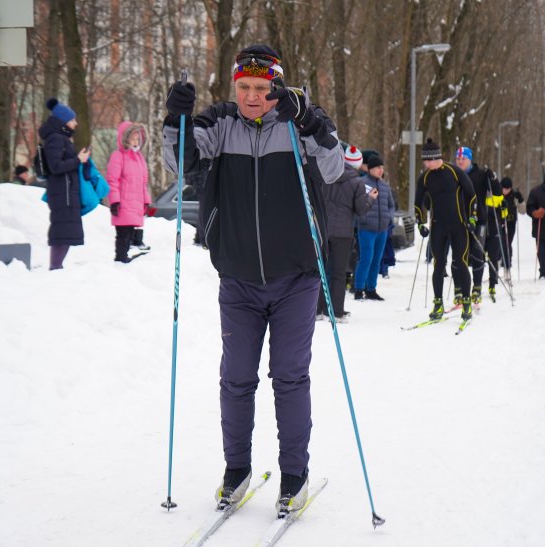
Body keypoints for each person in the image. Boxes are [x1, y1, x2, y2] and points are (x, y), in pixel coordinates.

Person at [162, 44, 343, 515]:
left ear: (276, 86)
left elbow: (334, 166)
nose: (252, 97)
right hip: (239, 279)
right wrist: (174, 119)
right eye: (244, 87)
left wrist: (312, 123)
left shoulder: (298, 120)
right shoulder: (219, 123)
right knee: (236, 378)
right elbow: (180, 161)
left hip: (296, 277)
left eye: (262, 89)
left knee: (289, 376)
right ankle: (236, 468)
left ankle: (294, 473)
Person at [414, 138, 477, 321]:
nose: (425, 164)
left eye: (427, 160)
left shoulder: (454, 172)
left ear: (435, 158)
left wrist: (472, 218)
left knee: (460, 263)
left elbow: (472, 195)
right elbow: (418, 204)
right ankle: (438, 303)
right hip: (438, 227)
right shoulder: (425, 177)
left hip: (459, 226)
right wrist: (420, 224)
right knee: (438, 265)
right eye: (424, 161)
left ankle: (466, 302)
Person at [317, 145, 376, 321]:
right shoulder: (357, 183)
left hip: (324, 229)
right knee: (338, 273)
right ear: (357, 164)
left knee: (320, 270)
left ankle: (317, 310)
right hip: (343, 233)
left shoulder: (326, 177)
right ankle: (336, 311)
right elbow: (360, 210)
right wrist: (371, 199)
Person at [39, 97, 91, 270]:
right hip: (62, 194)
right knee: (62, 232)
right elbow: (55, 166)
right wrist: (77, 160)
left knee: (66, 232)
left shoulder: (61, 138)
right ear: (63, 121)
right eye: (72, 120)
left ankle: (57, 266)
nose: (75, 123)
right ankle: (55, 267)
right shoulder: (56, 138)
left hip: (66, 192)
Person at [454, 146, 501, 303]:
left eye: (463, 159)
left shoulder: (480, 175)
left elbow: (498, 192)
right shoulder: (453, 174)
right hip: (458, 220)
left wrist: (492, 177)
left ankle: (477, 287)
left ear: (470, 159)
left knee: (477, 253)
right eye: (458, 159)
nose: (460, 161)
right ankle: (459, 289)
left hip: (479, 220)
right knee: (458, 256)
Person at [107, 121, 151, 263]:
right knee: (123, 233)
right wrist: (114, 201)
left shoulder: (140, 158)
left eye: (137, 139)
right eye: (132, 138)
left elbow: (143, 183)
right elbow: (113, 180)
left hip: (136, 204)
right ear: (124, 139)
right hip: (123, 203)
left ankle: (123, 257)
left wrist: (146, 201)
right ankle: (120, 258)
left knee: (131, 232)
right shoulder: (118, 156)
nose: (135, 142)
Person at [353, 154, 394, 301]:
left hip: (381, 229)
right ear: (370, 169)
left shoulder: (384, 186)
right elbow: (356, 205)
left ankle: (371, 288)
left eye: (382, 168)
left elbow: (391, 205)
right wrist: (362, 219)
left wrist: (388, 218)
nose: (380, 170)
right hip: (366, 229)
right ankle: (358, 288)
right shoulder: (361, 183)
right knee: (366, 259)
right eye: (378, 167)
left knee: (377, 260)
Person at [500, 177, 523, 271]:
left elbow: (522, 204)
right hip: (500, 221)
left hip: (511, 222)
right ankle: (502, 260)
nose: (505, 191)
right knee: (501, 241)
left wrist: (520, 197)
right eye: (503, 188)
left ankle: (507, 262)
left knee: (507, 241)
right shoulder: (498, 193)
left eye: (507, 189)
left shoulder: (514, 194)